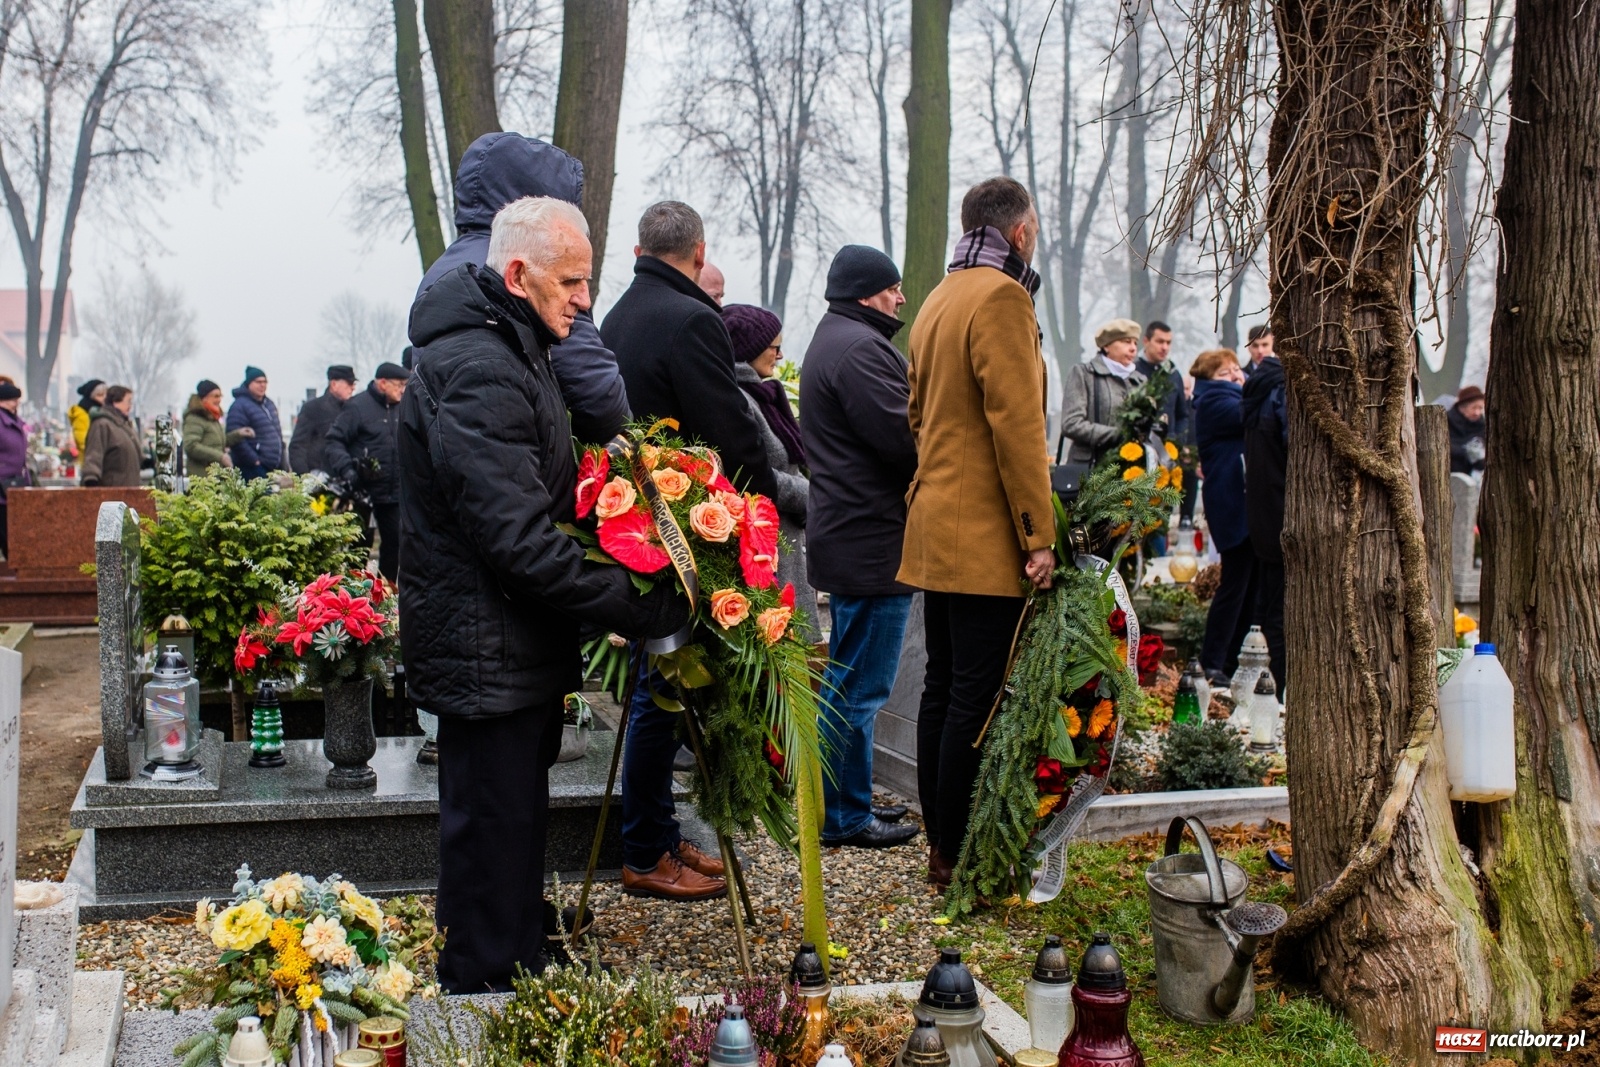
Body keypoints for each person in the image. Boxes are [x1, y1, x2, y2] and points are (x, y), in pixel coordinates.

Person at [399, 195, 689, 993]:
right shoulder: (478, 365)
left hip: (505, 642)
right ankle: (486, 991)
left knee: (514, 825)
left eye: (588, 280)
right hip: (483, 643)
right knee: (491, 829)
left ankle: (518, 951)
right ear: (518, 272)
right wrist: (637, 601)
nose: (585, 298)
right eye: (571, 281)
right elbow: (518, 541)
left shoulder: (508, 344)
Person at [601, 201, 778, 902]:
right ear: (698, 254)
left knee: (662, 687)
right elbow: (727, 428)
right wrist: (756, 510)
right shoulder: (693, 318)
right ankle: (645, 849)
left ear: (641, 247)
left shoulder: (615, 315)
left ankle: (660, 833)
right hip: (683, 536)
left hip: (635, 528)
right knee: (660, 693)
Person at [900, 177, 1055, 888]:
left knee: (943, 686)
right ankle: (957, 852)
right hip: (985, 529)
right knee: (975, 695)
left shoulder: (940, 294)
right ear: (1019, 232)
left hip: (936, 521)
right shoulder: (1001, 296)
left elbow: (916, 414)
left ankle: (942, 841)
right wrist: (1037, 533)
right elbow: (1017, 428)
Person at [800, 244, 920, 850]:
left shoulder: (841, 337)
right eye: (893, 288)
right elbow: (904, 442)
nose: (901, 298)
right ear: (868, 291)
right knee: (860, 689)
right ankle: (843, 816)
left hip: (854, 536)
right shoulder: (859, 349)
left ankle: (849, 803)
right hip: (871, 542)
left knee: (852, 682)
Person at [415, 132, 630, 443]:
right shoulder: (540, 264)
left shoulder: (442, 271)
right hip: (521, 462)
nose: (580, 297)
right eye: (572, 281)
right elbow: (598, 397)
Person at [722, 303, 815, 619]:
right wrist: (810, 494)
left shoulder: (763, 394)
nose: (780, 356)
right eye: (774, 347)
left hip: (787, 541)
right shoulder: (741, 401)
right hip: (768, 547)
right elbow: (756, 473)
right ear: (750, 349)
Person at [1190, 350, 1256, 688]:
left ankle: (1227, 661)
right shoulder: (1215, 402)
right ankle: (1213, 661)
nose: (1235, 377)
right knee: (1233, 586)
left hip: (1239, 503)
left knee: (1246, 586)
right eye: (1224, 373)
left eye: (1236, 370)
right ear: (1209, 380)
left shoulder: (1225, 395)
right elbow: (1250, 413)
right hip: (1232, 505)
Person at [325, 363, 409, 581]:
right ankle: (354, 596)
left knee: (395, 544)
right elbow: (334, 441)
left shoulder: (403, 407)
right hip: (362, 492)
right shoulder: (357, 407)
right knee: (360, 548)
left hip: (393, 492)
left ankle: (386, 592)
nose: (402, 390)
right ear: (382, 383)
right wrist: (348, 470)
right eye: (399, 385)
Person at [1242, 334, 1288, 697]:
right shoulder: (1281, 392)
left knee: (1270, 602)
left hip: (1262, 513)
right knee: (1280, 610)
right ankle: (1284, 685)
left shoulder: (1259, 389)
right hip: (1283, 512)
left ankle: (1269, 682)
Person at [1060, 319, 1148, 465]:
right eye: (1126, 342)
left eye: (1135, 343)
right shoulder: (1084, 374)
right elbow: (1071, 424)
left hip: (1131, 470)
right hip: (1091, 468)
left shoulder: (1140, 381)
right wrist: (1117, 434)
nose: (1133, 348)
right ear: (1107, 346)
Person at [288, 366, 357, 474]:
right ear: (334, 384)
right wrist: (305, 476)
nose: (353, 388)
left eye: (354, 384)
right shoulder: (313, 409)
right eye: (349, 384)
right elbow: (298, 446)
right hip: (320, 476)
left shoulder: (353, 409)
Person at [226, 368, 285, 479]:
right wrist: (254, 460)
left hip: (273, 466)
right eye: (258, 382)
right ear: (249, 384)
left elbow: (277, 433)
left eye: (265, 382)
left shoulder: (269, 404)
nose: (262, 385)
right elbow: (235, 438)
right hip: (253, 468)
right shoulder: (239, 406)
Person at [182, 379, 251, 474]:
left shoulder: (213, 418)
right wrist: (220, 457)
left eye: (220, 396)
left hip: (214, 476)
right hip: (201, 477)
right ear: (204, 398)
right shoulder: (194, 418)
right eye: (215, 396)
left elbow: (217, 442)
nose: (219, 400)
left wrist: (238, 434)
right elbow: (191, 446)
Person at [80, 385, 142, 487]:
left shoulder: (123, 426)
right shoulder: (102, 425)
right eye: (128, 401)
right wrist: (91, 480)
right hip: (112, 493)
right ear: (116, 402)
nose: (130, 406)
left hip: (128, 489)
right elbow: (94, 455)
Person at [0, 383, 29, 557]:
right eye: (12, 400)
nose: (16, 403)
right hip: (2, 485)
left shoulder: (14, 420)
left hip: (14, 484)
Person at [1449, 385, 1487, 476]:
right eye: (1474, 408)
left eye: (1480, 408)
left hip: (1466, 477)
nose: (1477, 413)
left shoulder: (1481, 426)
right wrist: (1465, 451)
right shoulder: (1446, 420)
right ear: (1462, 407)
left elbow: (1480, 464)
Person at [67, 379, 105, 455]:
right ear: (92, 396)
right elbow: (83, 442)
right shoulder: (81, 415)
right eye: (100, 395)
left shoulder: (101, 412)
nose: (104, 398)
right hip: (90, 460)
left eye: (105, 395)